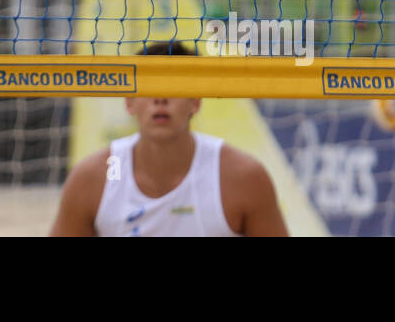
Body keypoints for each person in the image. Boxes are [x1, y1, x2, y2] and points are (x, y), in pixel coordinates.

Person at [50, 43, 289, 236]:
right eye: (150, 85)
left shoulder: (243, 176)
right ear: (129, 102)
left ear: (196, 101)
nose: (161, 98)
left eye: (173, 84)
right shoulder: (92, 178)